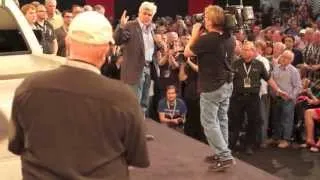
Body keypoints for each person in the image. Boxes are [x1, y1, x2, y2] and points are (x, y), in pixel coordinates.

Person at [8, 11, 149, 180]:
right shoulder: (123, 97)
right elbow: (138, 157)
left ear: (67, 42)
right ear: (107, 49)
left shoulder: (29, 87)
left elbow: (16, 145)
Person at [184, 5, 235, 171]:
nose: (203, 19)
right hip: (226, 84)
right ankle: (222, 152)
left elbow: (187, 52)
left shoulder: (208, 39)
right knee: (222, 119)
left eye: (206, 16)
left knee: (209, 122)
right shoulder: (229, 37)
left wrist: (194, 35)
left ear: (211, 20)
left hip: (212, 86)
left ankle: (225, 155)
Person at [114, 2, 158, 139]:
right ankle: (127, 134)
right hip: (133, 69)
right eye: (145, 13)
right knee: (133, 102)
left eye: (150, 14)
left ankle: (140, 132)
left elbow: (150, 49)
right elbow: (118, 40)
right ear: (139, 12)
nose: (147, 16)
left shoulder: (151, 29)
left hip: (147, 68)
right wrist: (120, 26)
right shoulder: (130, 26)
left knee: (144, 103)